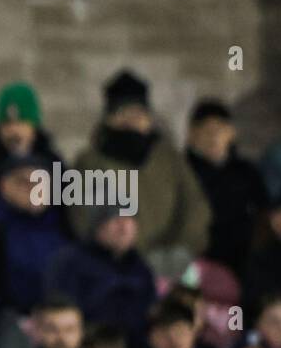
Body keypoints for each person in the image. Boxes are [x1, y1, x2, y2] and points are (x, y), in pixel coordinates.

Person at [69, 69, 210, 280]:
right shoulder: (90, 162)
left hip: (172, 266)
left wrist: (182, 249)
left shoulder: (169, 159)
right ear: (109, 119)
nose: (131, 121)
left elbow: (195, 207)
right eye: (123, 113)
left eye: (138, 114)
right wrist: (122, 252)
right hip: (113, 269)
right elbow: (83, 219)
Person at [45, 207, 157, 348]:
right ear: (98, 227)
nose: (124, 227)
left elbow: (152, 311)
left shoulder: (141, 267)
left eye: (129, 220)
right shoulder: (69, 263)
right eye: (116, 220)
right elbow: (59, 312)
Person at [0, 153, 74, 313]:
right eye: (22, 181)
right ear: (4, 186)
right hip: (9, 316)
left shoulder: (65, 223)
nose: (33, 188)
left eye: (40, 181)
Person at [185, 99, 268, 271]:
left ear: (231, 133)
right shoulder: (180, 172)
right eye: (206, 130)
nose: (213, 137)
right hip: (192, 262)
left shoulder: (246, 172)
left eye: (220, 129)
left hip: (241, 263)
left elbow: (265, 213)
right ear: (192, 134)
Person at [0, 82, 63, 220]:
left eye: (21, 123)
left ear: (34, 126)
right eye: (7, 124)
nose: (14, 130)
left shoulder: (52, 162)